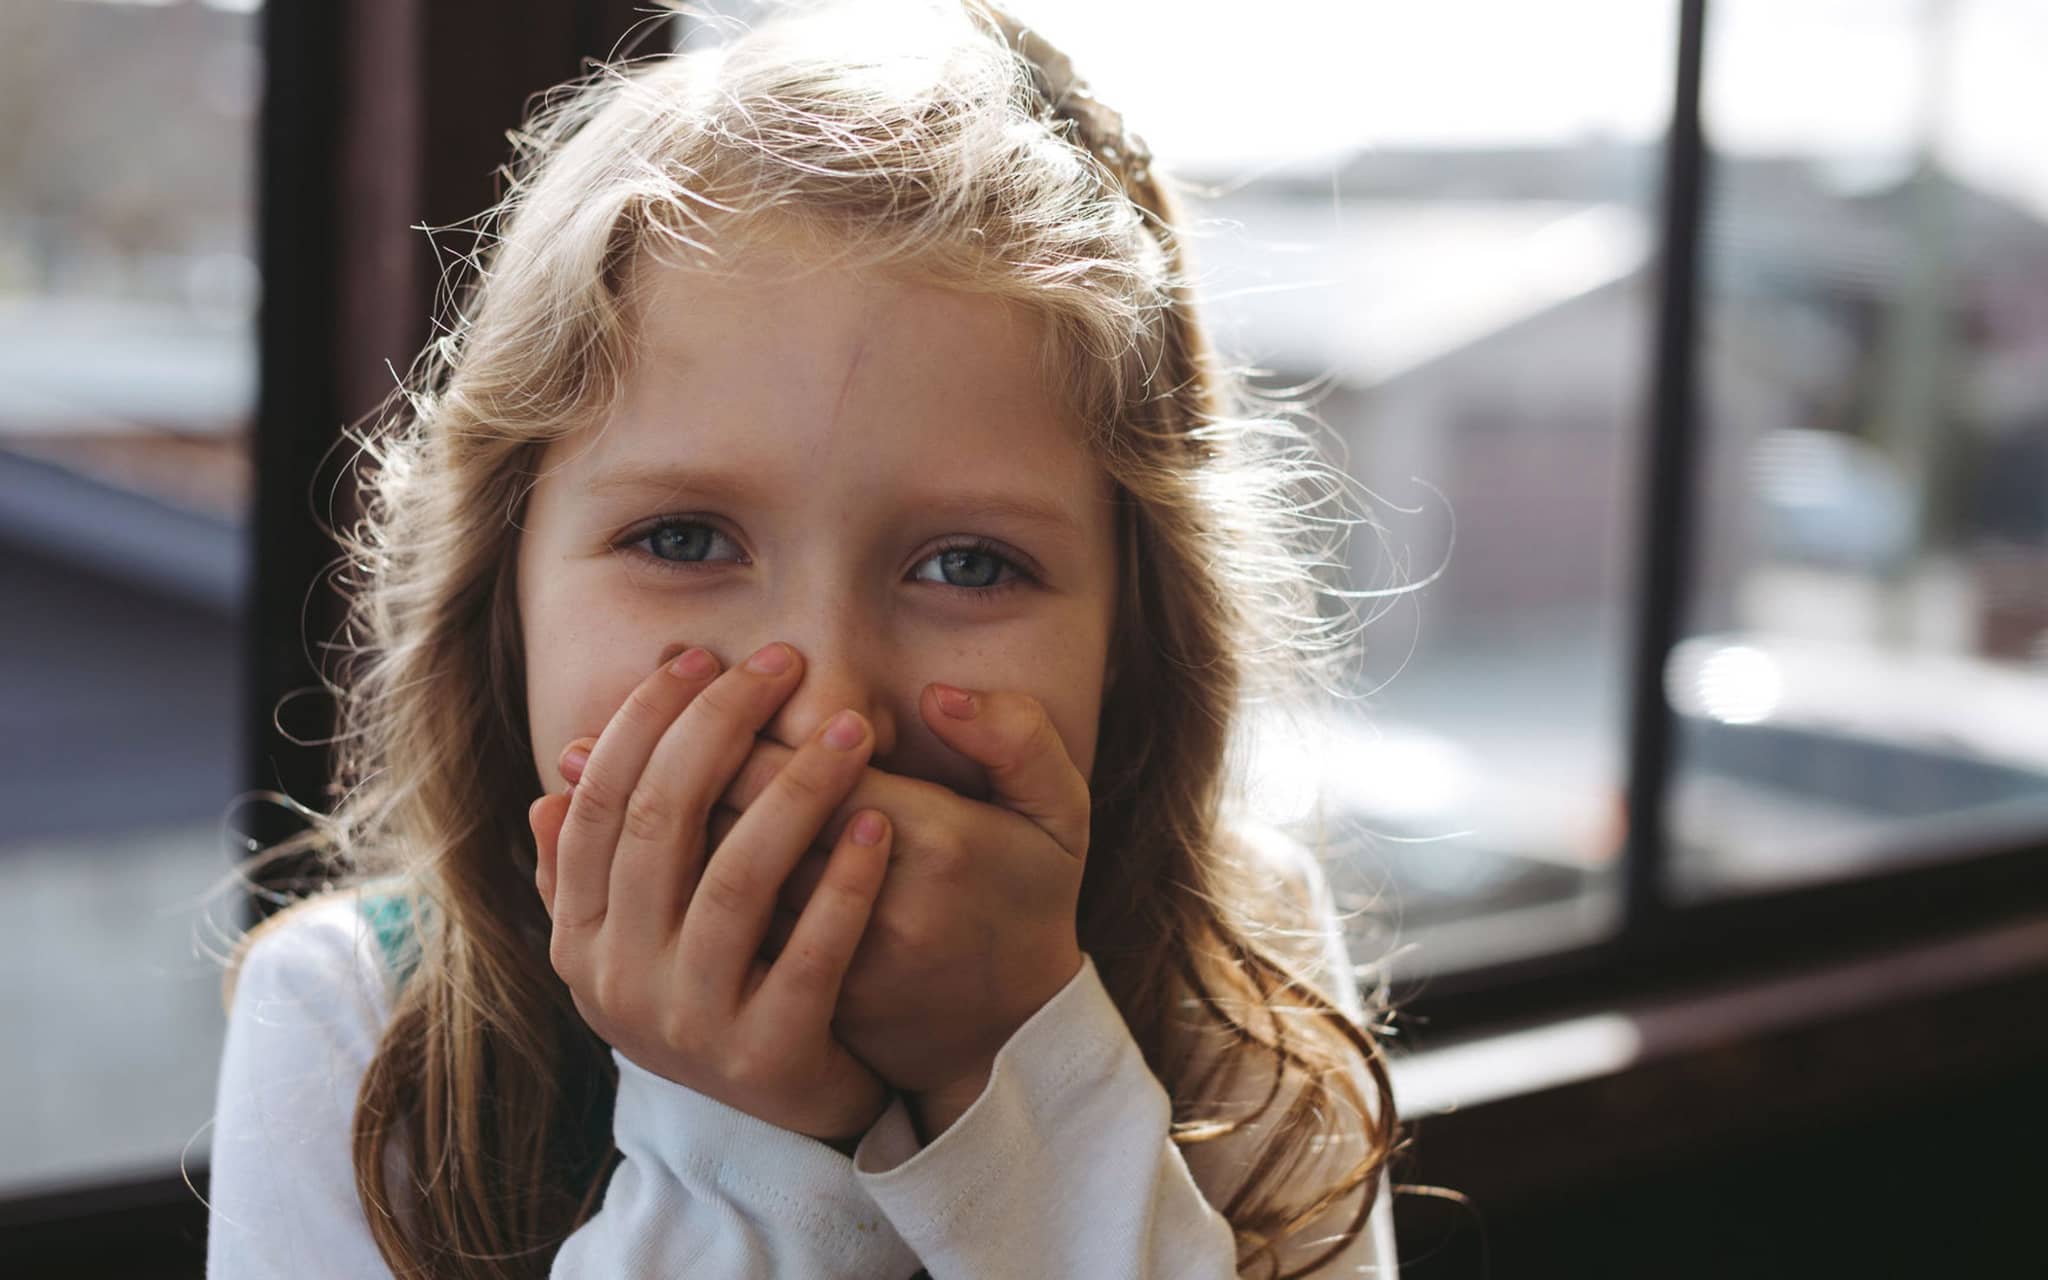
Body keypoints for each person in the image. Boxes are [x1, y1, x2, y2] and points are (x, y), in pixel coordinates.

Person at [204, 1, 1402, 1275]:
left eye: (968, 563)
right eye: (681, 541)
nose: (827, 705)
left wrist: (1020, 1068)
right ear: (502, 587)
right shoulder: (349, 1019)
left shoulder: (1233, 964)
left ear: (1135, 632)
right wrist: (751, 1142)